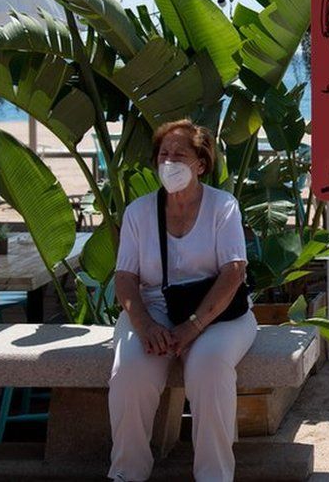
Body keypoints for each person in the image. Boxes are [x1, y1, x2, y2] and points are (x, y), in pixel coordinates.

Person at [108, 120, 257, 482]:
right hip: (153, 309)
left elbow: (234, 272)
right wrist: (145, 326)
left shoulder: (224, 207)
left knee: (208, 366)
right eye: (163, 155)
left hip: (218, 312)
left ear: (200, 164)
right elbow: (125, 277)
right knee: (129, 373)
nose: (169, 163)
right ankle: (127, 472)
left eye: (179, 155)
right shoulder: (139, 212)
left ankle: (214, 476)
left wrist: (193, 326)